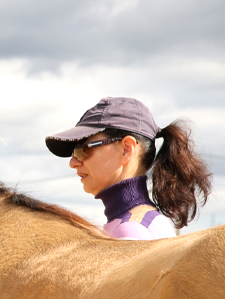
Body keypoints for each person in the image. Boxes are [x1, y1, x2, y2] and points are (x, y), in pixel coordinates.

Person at [45, 97, 211, 240]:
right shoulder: (140, 223)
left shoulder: (130, 231)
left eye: (83, 150)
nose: (73, 162)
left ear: (126, 149)